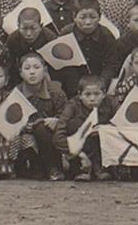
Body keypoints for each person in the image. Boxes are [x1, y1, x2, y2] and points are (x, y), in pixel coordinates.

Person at [10, 52, 69, 180]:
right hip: (25, 134)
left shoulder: (55, 91)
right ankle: (29, 167)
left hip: (48, 134)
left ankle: (54, 167)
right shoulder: (16, 93)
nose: (32, 72)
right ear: (20, 73)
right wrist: (24, 126)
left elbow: (67, 114)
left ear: (45, 70)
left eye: (36, 68)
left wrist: (57, 120)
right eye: (27, 68)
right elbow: (11, 118)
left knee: (42, 128)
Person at [56, 76, 110, 181]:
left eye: (96, 94)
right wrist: (79, 155)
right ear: (80, 95)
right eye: (87, 94)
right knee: (74, 125)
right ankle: (80, 170)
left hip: (102, 151)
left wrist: (105, 130)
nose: (92, 98)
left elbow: (122, 126)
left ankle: (101, 168)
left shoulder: (110, 103)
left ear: (104, 94)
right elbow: (58, 135)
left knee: (105, 130)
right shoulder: (72, 106)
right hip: (79, 152)